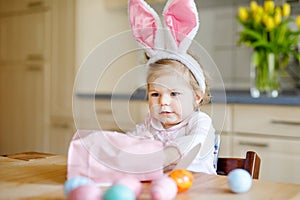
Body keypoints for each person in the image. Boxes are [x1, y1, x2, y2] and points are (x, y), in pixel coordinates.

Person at [128, 58, 217, 174]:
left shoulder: (200, 121)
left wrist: (161, 156)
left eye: (174, 93)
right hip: (161, 185)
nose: (163, 101)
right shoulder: (150, 121)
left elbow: (196, 144)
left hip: (198, 185)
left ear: (196, 97)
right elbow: (133, 143)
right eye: (155, 94)